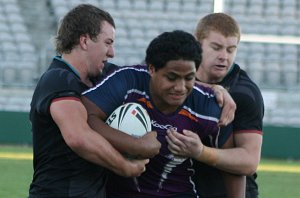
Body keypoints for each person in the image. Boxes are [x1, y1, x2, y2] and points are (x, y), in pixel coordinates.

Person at [82, 30, 243, 198]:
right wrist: (135, 145)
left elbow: (234, 166)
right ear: (151, 69)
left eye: (189, 78)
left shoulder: (209, 106)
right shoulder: (128, 80)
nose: (180, 87)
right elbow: (86, 115)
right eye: (171, 77)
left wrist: (201, 151)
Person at [28, 4, 155, 197]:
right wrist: (125, 166)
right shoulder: (57, 79)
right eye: (108, 42)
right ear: (85, 41)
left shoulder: (103, 77)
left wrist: (209, 88)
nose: (112, 52)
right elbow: (79, 138)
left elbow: (155, 78)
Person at [167, 13, 264, 198]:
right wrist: (207, 88)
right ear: (197, 44)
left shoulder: (244, 93)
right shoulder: (175, 78)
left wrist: (200, 152)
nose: (224, 57)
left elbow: (249, 161)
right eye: (216, 47)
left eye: (230, 50)